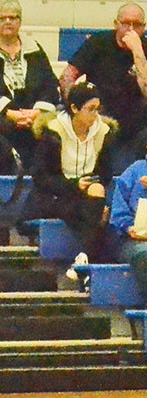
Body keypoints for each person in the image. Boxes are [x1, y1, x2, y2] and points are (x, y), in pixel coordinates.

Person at [24, 82, 118, 276]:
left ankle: (84, 257)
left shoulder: (103, 132)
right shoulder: (53, 132)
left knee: (98, 191)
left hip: (86, 193)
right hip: (54, 194)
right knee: (99, 216)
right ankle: (86, 261)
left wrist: (88, 182)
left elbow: (106, 172)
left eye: (98, 109)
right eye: (90, 109)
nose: (96, 115)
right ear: (74, 108)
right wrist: (74, 185)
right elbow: (40, 177)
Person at [0, 0, 59, 174]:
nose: (8, 22)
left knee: (50, 134)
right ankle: (4, 186)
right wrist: (10, 113)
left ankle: (42, 184)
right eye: (2, 18)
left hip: (31, 115)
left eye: (13, 18)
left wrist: (36, 112)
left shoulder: (35, 51)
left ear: (20, 21)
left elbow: (50, 86)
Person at [60, 3, 147, 172]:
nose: (130, 29)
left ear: (144, 27)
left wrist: (137, 52)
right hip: (100, 116)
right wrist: (76, 109)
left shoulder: (144, 48)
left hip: (138, 119)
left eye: (136, 24)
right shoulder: (98, 43)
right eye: (125, 23)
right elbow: (67, 77)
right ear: (116, 24)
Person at [109, 143, 147, 297]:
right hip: (135, 240)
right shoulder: (135, 171)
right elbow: (118, 214)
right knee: (144, 254)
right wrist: (129, 228)